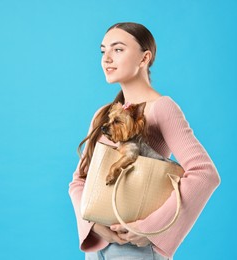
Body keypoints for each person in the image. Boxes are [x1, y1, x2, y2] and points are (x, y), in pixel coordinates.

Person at [69, 22, 221, 260]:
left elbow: (204, 173)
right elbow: (79, 181)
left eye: (118, 49)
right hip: (99, 247)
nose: (106, 58)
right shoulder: (104, 115)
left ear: (144, 58)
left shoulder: (162, 108)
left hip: (136, 250)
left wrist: (150, 229)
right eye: (103, 51)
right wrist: (91, 223)